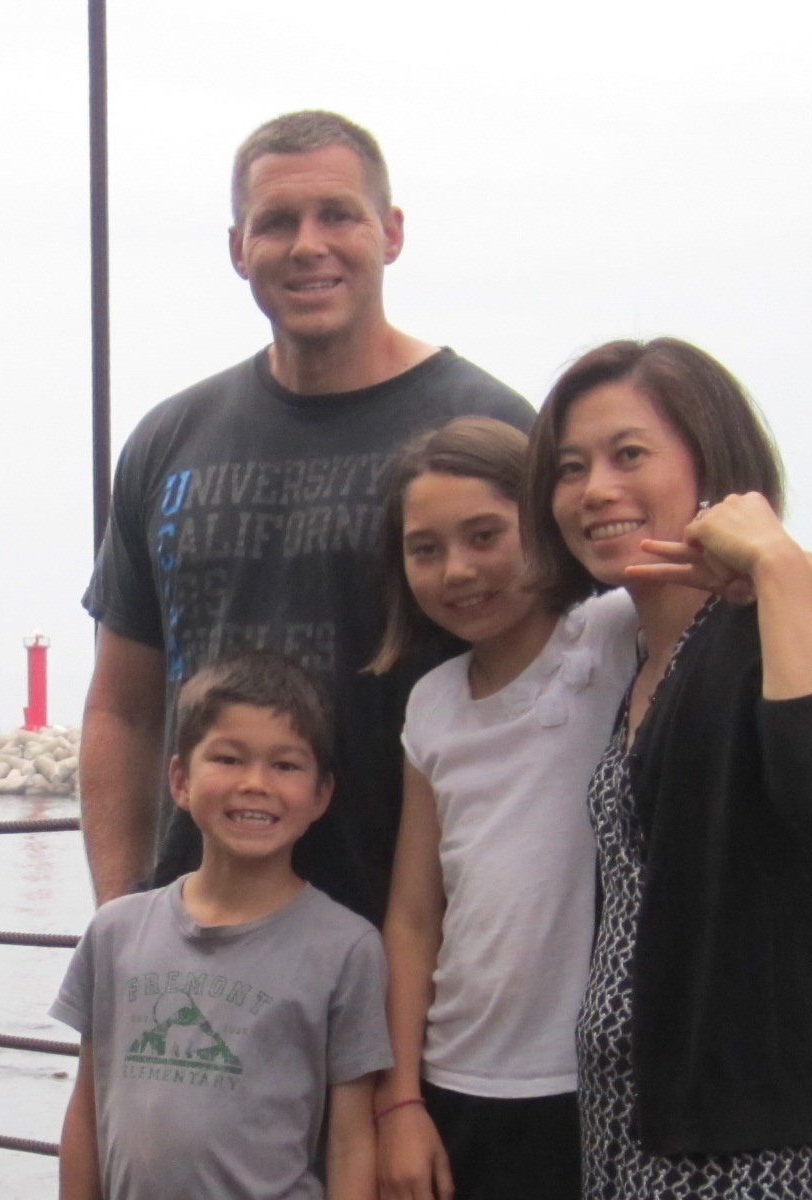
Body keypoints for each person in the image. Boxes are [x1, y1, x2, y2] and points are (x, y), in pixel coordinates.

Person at [367, 418, 812, 1200]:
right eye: (425, 549)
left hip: (591, 1080)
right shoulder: (431, 701)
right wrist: (402, 1098)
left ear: (540, 525)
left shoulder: (608, 633)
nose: (458, 570)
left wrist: (763, 558)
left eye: (485, 535)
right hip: (457, 1074)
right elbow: (412, 918)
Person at [79, 110, 533, 920]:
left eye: (338, 215)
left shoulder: (489, 429)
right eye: (277, 222)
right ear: (238, 249)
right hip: (199, 935)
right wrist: (120, 919)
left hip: (415, 938)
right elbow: (123, 708)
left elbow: (555, 682)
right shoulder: (169, 439)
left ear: (391, 233)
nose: (307, 245)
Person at [520, 337, 812, 1199]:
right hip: (626, 1113)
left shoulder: (766, 628)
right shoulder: (639, 648)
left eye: (630, 455)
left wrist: (776, 564)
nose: (595, 489)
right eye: (571, 468)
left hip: (737, 1136)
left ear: (713, 467)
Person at [52, 651, 393, 1200]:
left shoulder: (347, 948)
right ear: (180, 780)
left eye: (285, 765)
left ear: (321, 794)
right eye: (229, 759)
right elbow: (86, 1109)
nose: (255, 783)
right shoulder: (114, 932)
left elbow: (352, 1141)